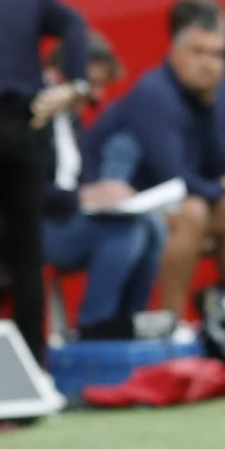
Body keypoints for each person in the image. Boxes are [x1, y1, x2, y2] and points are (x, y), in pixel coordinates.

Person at [83, 0, 225, 320]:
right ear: (175, 50)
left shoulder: (205, 94)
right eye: (199, 52)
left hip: (168, 199)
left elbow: (218, 167)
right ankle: (172, 322)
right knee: (192, 211)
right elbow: (171, 177)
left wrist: (208, 106)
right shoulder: (153, 92)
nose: (209, 64)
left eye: (217, 55)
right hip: (118, 204)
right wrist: (223, 188)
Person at [41, 38, 165, 341]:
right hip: (33, 227)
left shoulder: (70, 116)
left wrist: (106, 193)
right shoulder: (28, 113)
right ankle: (96, 327)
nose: (97, 96)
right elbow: (20, 189)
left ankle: (128, 322)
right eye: (91, 85)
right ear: (58, 74)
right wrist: (82, 196)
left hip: (68, 218)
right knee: (125, 232)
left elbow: (77, 178)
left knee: (152, 225)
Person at [0, 0, 90, 362]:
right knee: (27, 256)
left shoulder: (27, 0)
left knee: (27, 254)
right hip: (24, 127)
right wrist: (77, 84)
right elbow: (74, 23)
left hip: (24, 125)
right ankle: (33, 371)